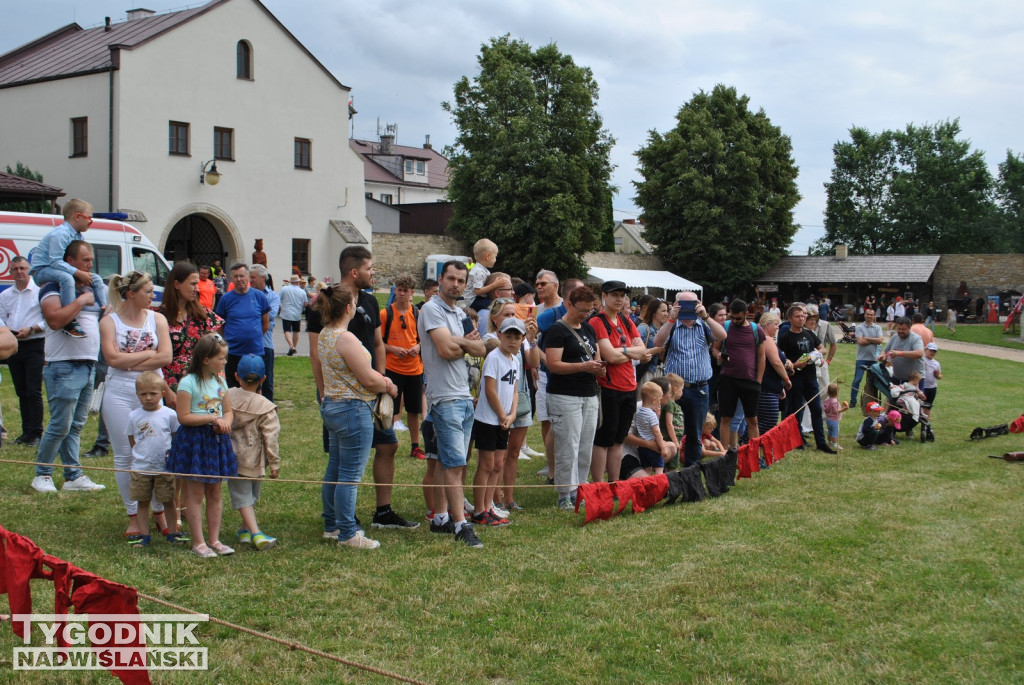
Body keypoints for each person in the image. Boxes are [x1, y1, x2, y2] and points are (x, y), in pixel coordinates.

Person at [337, 246, 418, 531]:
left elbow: (378, 344)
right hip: (344, 394)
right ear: (354, 271)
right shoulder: (331, 300)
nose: (375, 274)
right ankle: (342, 517)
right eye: (370, 269)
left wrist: (383, 382)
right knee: (346, 456)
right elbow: (315, 350)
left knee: (389, 445)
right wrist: (323, 392)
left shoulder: (371, 302)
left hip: (374, 388)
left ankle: (383, 512)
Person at [418, 260, 488, 547]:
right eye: (451, 279)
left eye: (461, 280)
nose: (456, 284)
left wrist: (460, 342)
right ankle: (461, 525)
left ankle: (441, 519)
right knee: (454, 464)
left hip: (463, 394)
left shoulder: (459, 311)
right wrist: (463, 343)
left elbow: (481, 348)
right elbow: (446, 350)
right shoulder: (431, 308)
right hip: (444, 396)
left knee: (449, 462)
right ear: (440, 279)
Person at [100, 269, 173, 537]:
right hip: (119, 390)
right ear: (131, 294)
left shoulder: (158, 319)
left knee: (157, 450)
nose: (153, 296)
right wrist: (147, 354)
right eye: (147, 291)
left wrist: (129, 358)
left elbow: (165, 356)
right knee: (126, 454)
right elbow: (113, 360)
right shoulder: (110, 322)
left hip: (153, 388)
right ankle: (133, 514)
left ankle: (158, 511)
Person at [30, 240, 106, 494]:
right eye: (85, 261)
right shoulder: (54, 286)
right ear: (69, 262)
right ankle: (42, 474)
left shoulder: (91, 287)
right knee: (60, 424)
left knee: (76, 426)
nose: (90, 265)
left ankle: (73, 475)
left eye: (91, 261)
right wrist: (81, 301)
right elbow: (54, 320)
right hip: (64, 366)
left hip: (87, 365)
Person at [166, 333, 238, 558]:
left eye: (225, 358)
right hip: (195, 442)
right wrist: (210, 420)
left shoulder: (220, 381)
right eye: (221, 358)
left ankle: (214, 539)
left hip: (216, 441)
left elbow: (227, 410)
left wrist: (225, 422)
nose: (224, 362)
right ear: (205, 359)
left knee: (215, 493)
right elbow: (183, 416)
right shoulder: (188, 383)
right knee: (195, 494)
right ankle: (199, 542)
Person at [544, 286, 604, 509]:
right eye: (582, 310)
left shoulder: (588, 328)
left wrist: (598, 368)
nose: (586, 314)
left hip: (589, 393)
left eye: (590, 311)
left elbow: (596, 355)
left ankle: (581, 487)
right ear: (569, 304)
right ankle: (564, 494)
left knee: (585, 444)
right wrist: (586, 366)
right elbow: (553, 365)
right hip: (564, 395)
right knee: (568, 445)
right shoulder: (556, 331)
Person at [654, 291, 727, 467]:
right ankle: (669, 469)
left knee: (695, 433)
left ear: (698, 304)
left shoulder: (704, 325)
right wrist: (671, 319)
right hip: (674, 390)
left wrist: (706, 315)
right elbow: (657, 342)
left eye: (691, 305)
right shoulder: (672, 325)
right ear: (676, 305)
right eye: (682, 305)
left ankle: (691, 471)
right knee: (671, 430)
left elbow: (722, 335)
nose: (687, 309)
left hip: (699, 388)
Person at [590, 280, 651, 483]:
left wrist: (622, 352)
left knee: (618, 440)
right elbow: (609, 356)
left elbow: (642, 352)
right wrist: (629, 352)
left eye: (622, 295)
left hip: (628, 387)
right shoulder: (598, 322)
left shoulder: (625, 320)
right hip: (609, 388)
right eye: (614, 295)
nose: (619, 299)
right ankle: (599, 484)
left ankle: (614, 483)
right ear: (604, 296)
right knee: (604, 439)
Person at [483, 299, 540, 512]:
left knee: (513, 451)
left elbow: (533, 362)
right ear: (495, 319)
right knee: (499, 454)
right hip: (497, 404)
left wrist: (532, 340)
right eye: (506, 315)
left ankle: (509, 497)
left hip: (519, 399)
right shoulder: (492, 341)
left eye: (514, 314)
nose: (511, 319)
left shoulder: (519, 340)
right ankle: (493, 497)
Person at [470, 317, 525, 526]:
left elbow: (514, 390)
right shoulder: (494, 357)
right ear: (499, 336)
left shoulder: (515, 360)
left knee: (497, 465)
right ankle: (478, 511)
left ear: (522, 339)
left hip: (504, 420)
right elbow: (490, 390)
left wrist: (511, 415)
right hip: (488, 419)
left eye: (516, 337)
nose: (512, 341)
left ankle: (488, 506)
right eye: (508, 336)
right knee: (486, 465)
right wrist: (502, 415)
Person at [27, 199, 106, 337]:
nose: (90, 222)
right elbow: (55, 261)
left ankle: (103, 310)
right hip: (42, 270)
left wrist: (80, 274)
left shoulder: (78, 235)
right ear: (77, 216)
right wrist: (78, 273)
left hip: (57, 269)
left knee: (97, 279)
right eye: (89, 218)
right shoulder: (61, 234)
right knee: (66, 278)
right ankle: (70, 321)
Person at [226, 353, 281, 551]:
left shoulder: (227, 395)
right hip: (252, 459)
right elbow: (271, 437)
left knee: (250, 496)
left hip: (231, 456)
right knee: (246, 497)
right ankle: (257, 534)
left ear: (236, 376)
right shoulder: (266, 407)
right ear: (264, 379)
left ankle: (244, 531)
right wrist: (274, 462)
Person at [125, 371, 185, 547]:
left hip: (164, 468)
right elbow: (131, 439)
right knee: (142, 502)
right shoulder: (133, 416)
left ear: (163, 394)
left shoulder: (169, 415)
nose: (148, 398)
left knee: (169, 500)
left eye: (153, 393)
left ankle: (174, 532)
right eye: (143, 394)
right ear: (137, 395)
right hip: (141, 468)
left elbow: (176, 437)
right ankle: (144, 535)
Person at [777, 304, 836, 453]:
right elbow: (780, 358)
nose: (801, 318)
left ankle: (821, 443)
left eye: (803, 316)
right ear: (790, 318)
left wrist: (815, 355)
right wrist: (795, 364)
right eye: (798, 316)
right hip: (796, 378)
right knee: (795, 410)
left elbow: (822, 348)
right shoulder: (785, 338)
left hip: (811, 378)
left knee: (816, 409)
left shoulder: (809, 333)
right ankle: (796, 441)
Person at [0, 256, 45, 446]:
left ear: (30, 270)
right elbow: (1, 318)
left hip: (34, 343)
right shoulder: (5, 295)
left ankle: (35, 433)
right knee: (21, 391)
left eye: (23, 268)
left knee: (33, 390)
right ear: (10, 272)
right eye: (15, 269)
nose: (19, 272)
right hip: (14, 345)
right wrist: (8, 332)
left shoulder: (39, 293)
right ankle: (25, 433)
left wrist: (32, 329)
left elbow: (48, 319)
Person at [380, 274, 425, 459]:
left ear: (412, 293)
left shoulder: (417, 313)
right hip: (392, 368)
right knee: (390, 409)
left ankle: (415, 446)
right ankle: (389, 444)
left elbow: (424, 340)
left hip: (415, 369)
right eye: (399, 289)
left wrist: (417, 347)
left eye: (405, 291)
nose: (401, 293)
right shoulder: (385, 314)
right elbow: (378, 343)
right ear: (395, 290)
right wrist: (392, 349)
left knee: (414, 410)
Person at [714, 299, 765, 451]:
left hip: (749, 380)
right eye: (733, 317)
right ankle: (724, 453)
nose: (735, 320)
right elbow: (715, 348)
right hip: (728, 378)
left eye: (738, 318)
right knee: (725, 417)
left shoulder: (756, 330)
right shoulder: (726, 327)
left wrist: (759, 380)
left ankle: (754, 453)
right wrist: (719, 355)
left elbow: (761, 356)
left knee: (752, 419)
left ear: (746, 315)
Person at [215, 263, 270, 389]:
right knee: (233, 388)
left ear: (248, 277)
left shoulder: (259, 296)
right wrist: (230, 338)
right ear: (231, 279)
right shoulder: (225, 299)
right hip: (233, 352)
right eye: (235, 277)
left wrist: (254, 336)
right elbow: (219, 324)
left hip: (255, 352)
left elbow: (265, 324)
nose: (239, 279)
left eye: (242, 276)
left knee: (256, 388)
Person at [755, 313, 792, 438]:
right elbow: (775, 362)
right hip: (767, 388)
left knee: (762, 422)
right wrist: (786, 379)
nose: (778, 328)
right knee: (768, 422)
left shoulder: (762, 338)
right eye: (776, 325)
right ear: (767, 324)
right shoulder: (766, 339)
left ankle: (753, 451)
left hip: (770, 386)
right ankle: (745, 446)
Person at [802, 304, 837, 434]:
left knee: (824, 389)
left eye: (814, 319)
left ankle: (821, 420)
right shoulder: (802, 331)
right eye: (810, 318)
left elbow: (830, 345)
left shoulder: (825, 325)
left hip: (821, 363)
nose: (813, 321)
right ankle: (807, 424)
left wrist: (827, 360)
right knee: (809, 394)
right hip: (808, 365)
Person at [248, 264, 279, 401]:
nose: (251, 280)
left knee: (267, 381)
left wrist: (250, 314)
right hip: (247, 344)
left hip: (265, 344)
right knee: (247, 379)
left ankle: (268, 410)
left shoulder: (273, 296)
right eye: (250, 277)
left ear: (263, 278)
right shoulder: (245, 294)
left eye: (253, 277)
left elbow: (271, 314)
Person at [633, 381, 674, 476]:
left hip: (642, 447)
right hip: (653, 446)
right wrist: (663, 448)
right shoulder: (651, 415)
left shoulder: (639, 412)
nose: (660, 402)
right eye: (660, 400)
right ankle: (659, 485)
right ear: (654, 400)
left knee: (647, 468)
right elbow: (656, 431)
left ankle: (646, 482)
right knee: (659, 467)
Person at [851, 307, 883, 407]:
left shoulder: (878, 328)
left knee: (874, 382)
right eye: (867, 314)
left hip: (874, 359)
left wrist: (866, 338)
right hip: (861, 358)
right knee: (857, 380)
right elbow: (860, 342)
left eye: (871, 315)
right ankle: (853, 401)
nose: (869, 316)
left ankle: (873, 401)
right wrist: (874, 340)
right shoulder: (859, 327)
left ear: (874, 316)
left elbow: (880, 341)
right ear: (864, 315)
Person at [880, 317, 925, 384]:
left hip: (914, 380)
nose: (900, 331)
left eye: (903, 329)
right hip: (897, 378)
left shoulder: (916, 338)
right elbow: (885, 351)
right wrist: (883, 356)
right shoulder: (895, 337)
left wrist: (899, 353)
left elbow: (919, 354)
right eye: (899, 329)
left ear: (910, 327)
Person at [465, 238, 506, 311]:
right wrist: (495, 285)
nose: (495, 260)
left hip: (480, 298)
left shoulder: (484, 270)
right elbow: (478, 291)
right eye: (495, 256)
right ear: (487, 256)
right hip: (473, 301)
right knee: (496, 306)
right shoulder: (478, 271)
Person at [279, 274, 309, 356]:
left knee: (287, 330)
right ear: (298, 282)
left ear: (291, 281)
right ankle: (294, 346)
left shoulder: (284, 289)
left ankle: (291, 346)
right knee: (296, 331)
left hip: (286, 313)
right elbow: (306, 303)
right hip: (297, 313)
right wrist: (301, 308)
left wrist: (280, 307)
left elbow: (278, 298)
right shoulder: (302, 291)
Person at [822, 383, 849, 452]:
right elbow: (836, 411)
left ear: (828, 392)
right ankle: (835, 443)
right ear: (837, 393)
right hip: (834, 420)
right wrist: (844, 408)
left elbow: (826, 408)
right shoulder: (835, 402)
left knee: (830, 431)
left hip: (828, 420)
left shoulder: (827, 399)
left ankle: (830, 442)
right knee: (835, 432)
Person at [921, 342, 941, 419]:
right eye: (931, 350)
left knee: (928, 406)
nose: (932, 353)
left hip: (932, 387)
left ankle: (926, 424)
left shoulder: (936, 363)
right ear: (926, 350)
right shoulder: (922, 360)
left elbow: (940, 376)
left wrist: (937, 375)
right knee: (920, 406)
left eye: (934, 351)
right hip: (923, 386)